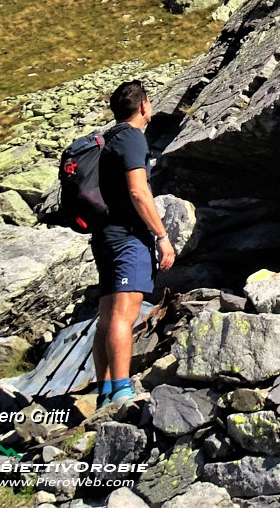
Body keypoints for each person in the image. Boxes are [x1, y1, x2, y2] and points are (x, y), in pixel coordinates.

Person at [92, 80, 175, 408]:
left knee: (108, 314)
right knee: (123, 314)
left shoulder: (107, 138)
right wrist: (162, 236)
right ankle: (123, 391)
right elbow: (139, 192)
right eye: (150, 102)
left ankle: (104, 392)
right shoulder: (132, 138)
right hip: (128, 237)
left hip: (104, 235)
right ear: (143, 106)